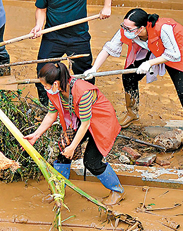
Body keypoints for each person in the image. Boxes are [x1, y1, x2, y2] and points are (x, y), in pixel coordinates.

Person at [83, 8, 183, 154]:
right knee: (129, 76)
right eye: (123, 26)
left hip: (176, 50)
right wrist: (94, 68)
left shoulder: (163, 29)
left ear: (142, 28)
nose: (125, 30)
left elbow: (173, 54)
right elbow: (109, 48)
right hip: (151, 47)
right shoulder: (128, 30)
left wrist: (149, 64)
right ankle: (132, 113)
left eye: (129, 28)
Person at [24, 62, 125, 206]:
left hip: (101, 123)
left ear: (56, 83)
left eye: (46, 86)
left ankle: (117, 191)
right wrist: (36, 135)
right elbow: (51, 114)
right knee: (63, 152)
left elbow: (85, 124)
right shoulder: (55, 91)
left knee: (91, 162)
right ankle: (58, 190)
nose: (45, 88)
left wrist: (73, 147)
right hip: (80, 120)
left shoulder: (83, 92)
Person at [30, 0, 113, 105]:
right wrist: (38, 26)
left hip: (78, 36)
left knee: (85, 72)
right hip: (53, 36)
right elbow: (41, 8)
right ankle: (45, 105)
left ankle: (87, 103)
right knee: (42, 71)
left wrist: (106, 6)